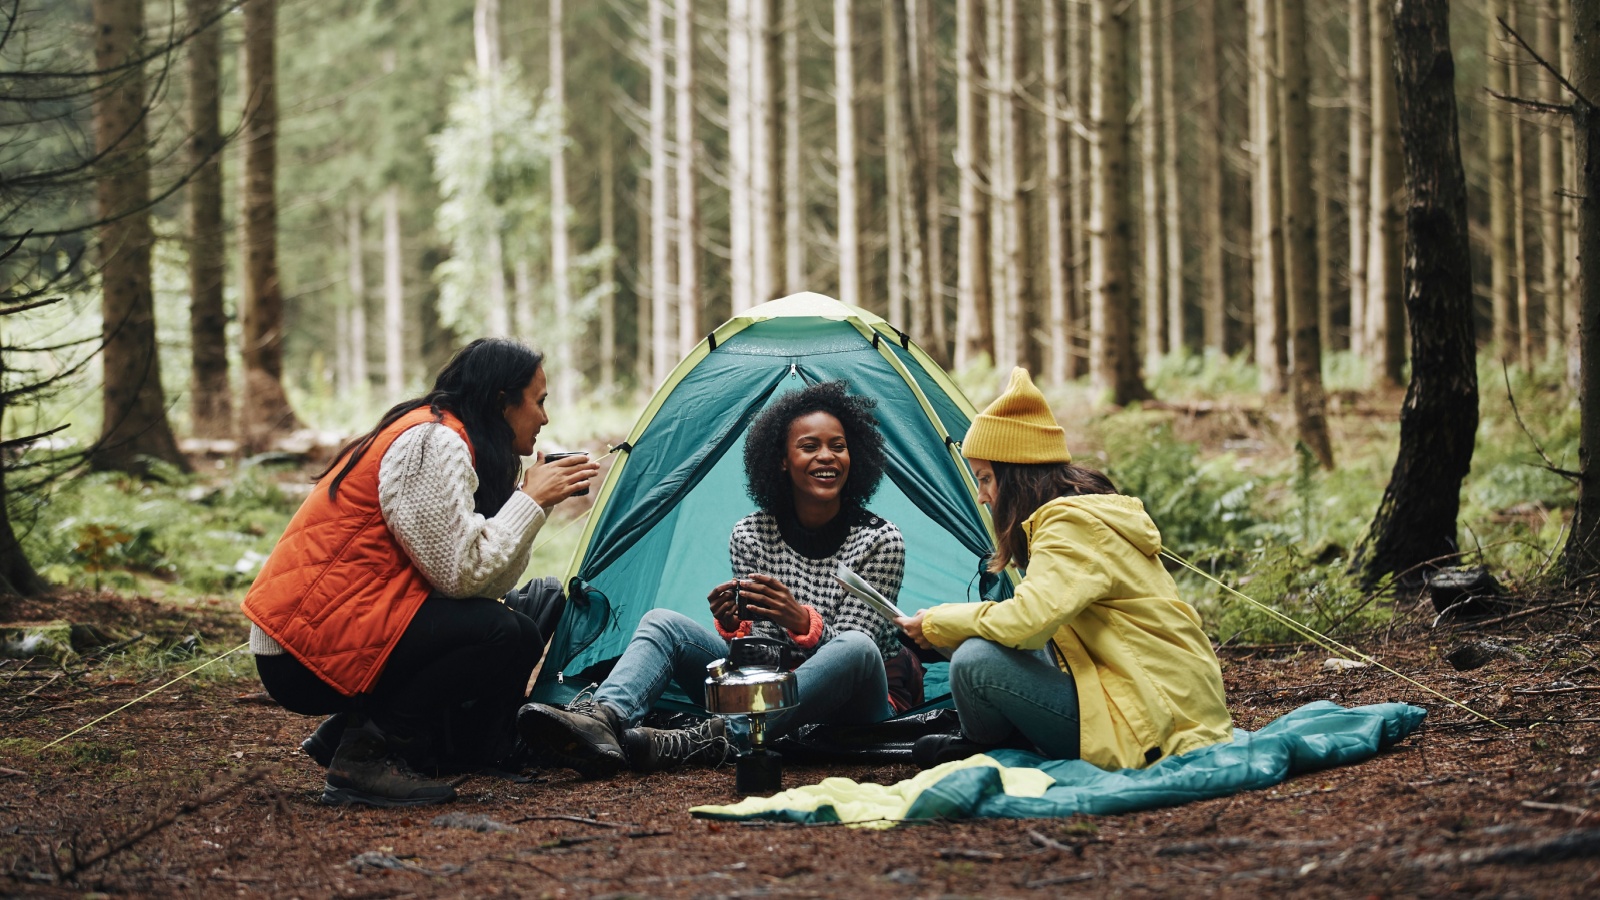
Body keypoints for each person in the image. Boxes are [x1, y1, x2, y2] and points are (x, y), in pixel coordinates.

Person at [242, 338, 600, 807]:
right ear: (501, 401)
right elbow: (461, 576)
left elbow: (490, 583)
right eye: (539, 401)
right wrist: (529, 501)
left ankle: (359, 736)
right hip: (300, 648)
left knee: (520, 624)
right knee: (501, 632)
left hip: (338, 626)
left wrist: (533, 505)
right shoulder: (433, 442)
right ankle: (366, 755)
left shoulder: (451, 437)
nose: (545, 418)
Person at [518, 380, 914, 777]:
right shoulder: (752, 534)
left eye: (838, 446)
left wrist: (800, 621)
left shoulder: (881, 540)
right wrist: (733, 627)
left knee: (857, 647)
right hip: (772, 693)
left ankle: (722, 737)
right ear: (781, 459)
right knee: (663, 624)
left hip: (857, 705)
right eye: (809, 447)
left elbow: (855, 663)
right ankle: (603, 719)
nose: (826, 457)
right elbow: (763, 659)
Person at [898, 367, 1232, 770]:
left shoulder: (1070, 526)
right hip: (1147, 695)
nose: (983, 497)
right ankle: (996, 742)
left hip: (1150, 717)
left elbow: (1028, 621)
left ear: (1015, 474)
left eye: (986, 479)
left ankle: (986, 750)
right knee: (975, 641)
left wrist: (938, 621)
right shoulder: (1080, 516)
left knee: (974, 660)